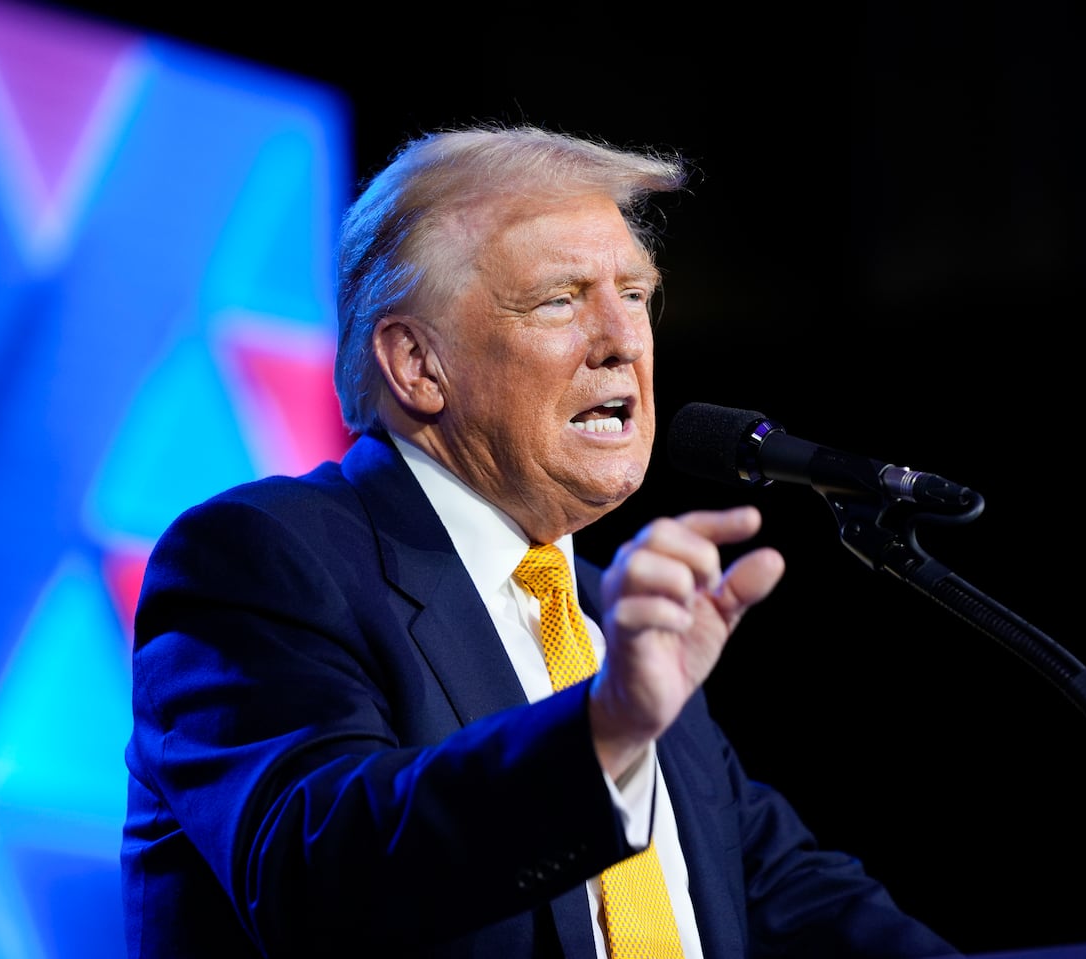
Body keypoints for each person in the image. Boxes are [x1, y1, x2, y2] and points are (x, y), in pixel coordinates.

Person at [120, 122, 961, 959]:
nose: (623, 340)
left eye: (634, 294)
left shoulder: (608, 615)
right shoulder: (261, 562)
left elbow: (790, 892)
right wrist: (605, 730)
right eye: (561, 298)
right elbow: (320, 871)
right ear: (417, 364)